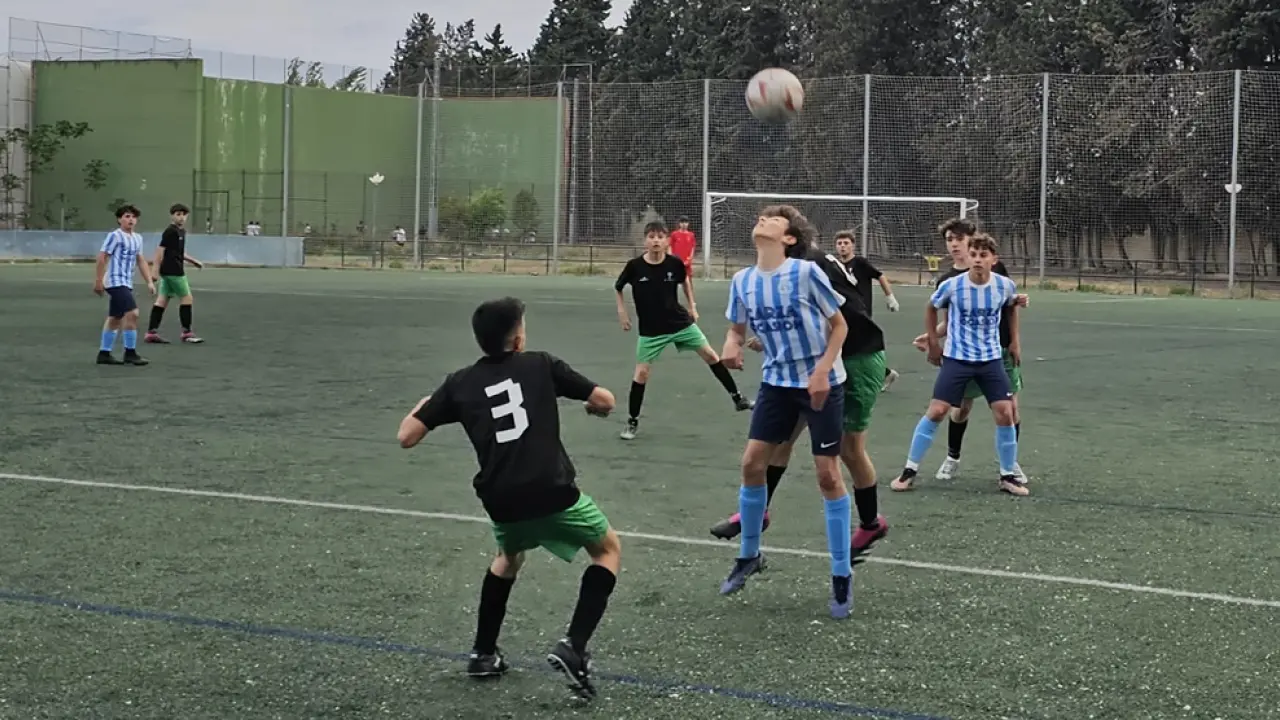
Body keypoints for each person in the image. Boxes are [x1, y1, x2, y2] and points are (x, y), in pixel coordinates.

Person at [396, 297, 621, 700]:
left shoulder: (459, 382)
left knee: (508, 558)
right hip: (552, 491)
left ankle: (483, 653)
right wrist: (594, 407)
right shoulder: (541, 364)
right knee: (607, 551)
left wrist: (423, 407)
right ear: (518, 340)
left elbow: (406, 437)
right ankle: (574, 645)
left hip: (501, 500)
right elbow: (605, 400)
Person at [709, 230, 889, 571]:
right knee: (780, 440)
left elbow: (837, 318)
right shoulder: (781, 267)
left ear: (789, 238)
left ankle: (870, 524)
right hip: (810, 364)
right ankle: (757, 511)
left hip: (858, 356)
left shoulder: (807, 266)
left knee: (849, 449)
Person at [718, 205, 858, 618]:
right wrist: (731, 345)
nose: (762, 221)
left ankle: (841, 574)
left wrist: (822, 370)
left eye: (774, 220)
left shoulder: (805, 273)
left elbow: (840, 325)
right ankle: (749, 556)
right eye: (760, 217)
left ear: (790, 238)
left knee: (828, 474)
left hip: (822, 382)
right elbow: (736, 329)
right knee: (752, 464)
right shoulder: (743, 281)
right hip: (776, 383)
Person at [892, 233, 1028, 496]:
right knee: (937, 411)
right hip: (957, 359)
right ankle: (909, 471)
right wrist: (933, 343)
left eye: (983, 255)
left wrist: (1014, 341)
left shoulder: (1004, 285)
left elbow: (1012, 305)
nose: (977, 260)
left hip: (990, 360)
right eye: (973, 254)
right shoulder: (953, 286)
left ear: (994, 259)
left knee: (1006, 412)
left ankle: (1007, 476)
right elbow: (931, 307)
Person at [614, 221, 752, 440]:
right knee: (641, 373)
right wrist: (622, 313)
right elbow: (618, 287)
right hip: (651, 330)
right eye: (651, 237)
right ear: (645, 241)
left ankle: (738, 398)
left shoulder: (674, 263)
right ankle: (632, 422)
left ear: (667, 240)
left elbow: (685, 281)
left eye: (660, 237)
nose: (656, 241)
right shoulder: (634, 266)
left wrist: (692, 306)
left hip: (679, 323)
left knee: (710, 355)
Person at [832, 230, 900, 391]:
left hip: (861, 312)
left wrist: (890, 297)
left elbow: (880, 276)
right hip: (845, 311)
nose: (842, 246)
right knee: (848, 347)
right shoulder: (836, 266)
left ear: (853, 246)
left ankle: (882, 374)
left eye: (846, 243)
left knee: (860, 349)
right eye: (839, 243)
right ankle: (883, 374)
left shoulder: (860, 262)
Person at [94, 204, 155, 366]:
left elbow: (140, 260)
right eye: (127, 216)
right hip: (114, 281)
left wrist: (149, 281)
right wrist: (98, 280)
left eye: (133, 217)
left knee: (115, 317)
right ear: (119, 219)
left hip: (126, 282)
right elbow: (102, 257)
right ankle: (130, 352)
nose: (131, 220)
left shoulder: (137, 238)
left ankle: (104, 353)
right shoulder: (115, 236)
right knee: (132, 313)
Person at [145, 203, 204, 344]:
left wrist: (194, 261)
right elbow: (160, 251)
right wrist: (154, 270)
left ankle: (151, 332)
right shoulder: (170, 231)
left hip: (170, 271)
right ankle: (187, 333)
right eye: (178, 214)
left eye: (184, 215)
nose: (181, 217)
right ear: (172, 216)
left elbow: (179, 252)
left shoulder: (181, 232)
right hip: (173, 271)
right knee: (187, 298)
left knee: (162, 300)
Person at [668, 216, 697, 281]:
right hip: (676, 261)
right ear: (679, 223)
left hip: (686, 261)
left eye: (686, 222)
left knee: (688, 280)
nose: (684, 224)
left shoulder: (691, 235)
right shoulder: (674, 234)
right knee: (674, 279)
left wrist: (690, 259)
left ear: (688, 223)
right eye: (682, 222)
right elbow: (670, 246)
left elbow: (693, 248)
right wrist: (671, 258)